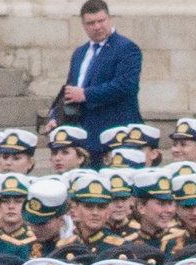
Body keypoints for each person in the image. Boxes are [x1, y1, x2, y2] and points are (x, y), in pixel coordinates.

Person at [58, 2, 143, 162]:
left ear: (109, 19)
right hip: (86, 136)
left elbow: (126, 86)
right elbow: (70, 89)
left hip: (117, 134)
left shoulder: (127, 48)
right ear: (83, 25)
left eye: (101, 21)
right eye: (91, 23)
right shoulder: (80, 53)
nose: (97, 27)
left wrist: (86, 94)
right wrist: (56, 117)